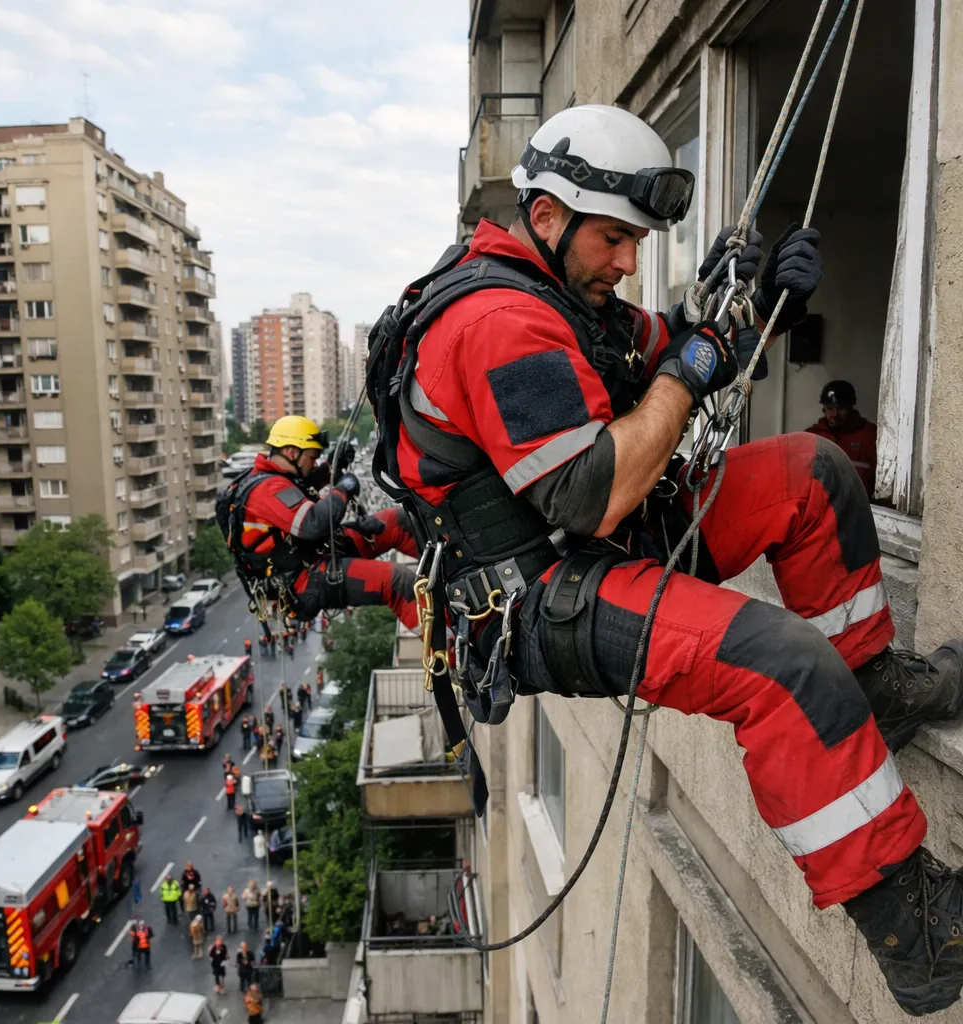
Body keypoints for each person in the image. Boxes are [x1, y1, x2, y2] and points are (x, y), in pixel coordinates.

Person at [374, 102, 963, 1018]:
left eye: (637, 241)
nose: (628, 262)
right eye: (615, 239)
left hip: (599, 544)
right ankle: (914, 932)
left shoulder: (567, 295)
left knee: (810, 469)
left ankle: (874, 685)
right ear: (548, 218)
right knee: (780, 666)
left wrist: (758, 303)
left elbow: (675, 343)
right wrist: (688, 371)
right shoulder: (497, 321)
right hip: (545, 596)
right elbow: (591, 489)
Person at [219, 414, 420, 631]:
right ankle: (447, 651)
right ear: (292, 453)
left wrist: (331, 467)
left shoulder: (271, 478)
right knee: (398, 582)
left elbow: (302, 486)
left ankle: (450, 569)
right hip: (303, 583)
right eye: (312, 458)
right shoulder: (268, 489)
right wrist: (342, 490)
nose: (313, 463)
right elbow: (313, 523)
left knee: (396, 522)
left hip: (314, 556)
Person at [804, 379, 879, 499]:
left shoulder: (871, 435)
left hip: (862, 508)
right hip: (820, 507)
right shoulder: (811, 436)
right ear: (823, 408)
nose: (834, 414)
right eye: (829, 408)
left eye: (840, 408)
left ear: (851, 407)